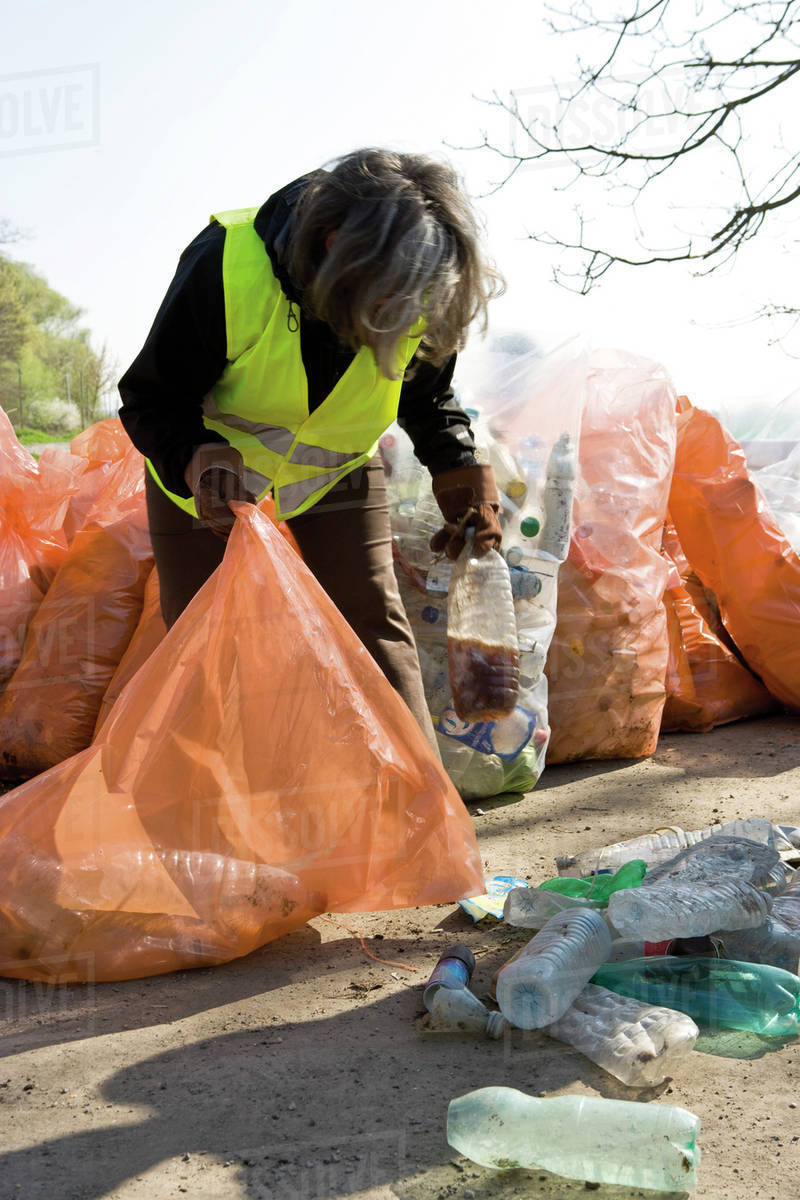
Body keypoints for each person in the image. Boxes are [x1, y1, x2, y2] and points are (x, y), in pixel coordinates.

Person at [118, 148, 504, 756]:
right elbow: (150, 396)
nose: (401, 320)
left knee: (374, 627)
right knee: (204, 647)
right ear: (330, 248)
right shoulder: (227, 264)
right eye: (385, 306)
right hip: (211, 479)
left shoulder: (415, 283)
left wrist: (458, 465)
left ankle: (420, 820)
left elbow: (428, 392)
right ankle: (212, 826)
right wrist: (195, 456)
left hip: (336, 467)